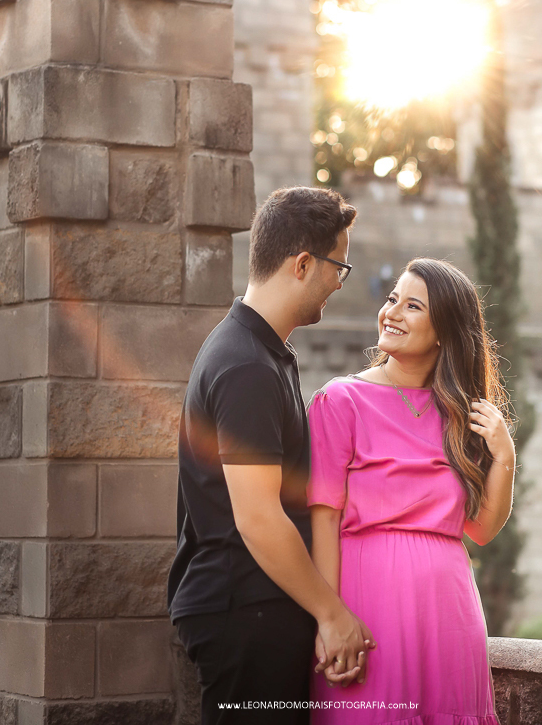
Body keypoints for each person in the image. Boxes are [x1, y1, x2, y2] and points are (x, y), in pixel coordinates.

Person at [168, 186, 375, 725]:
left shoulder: (259, 351)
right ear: (304, 264)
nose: (338, 281)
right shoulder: (247, 366)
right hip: (245, 613)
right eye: (339, 267)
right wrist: (332, 614)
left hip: (251, 609)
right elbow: (258, 517)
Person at [308, 258, 516, 724]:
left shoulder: (462, 415)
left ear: (444, 330)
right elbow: (322, 518)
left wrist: (505, 457)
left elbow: (481, 529)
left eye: (412, 305)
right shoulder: (340, 401)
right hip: (369, 610)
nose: (392, 312)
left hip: (451, 616)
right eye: (391, 299)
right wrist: (329, 618)